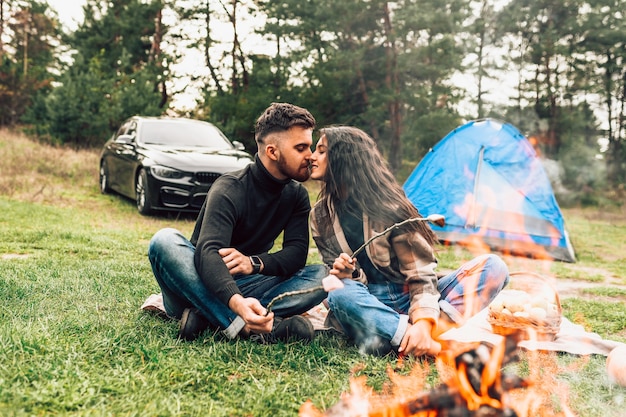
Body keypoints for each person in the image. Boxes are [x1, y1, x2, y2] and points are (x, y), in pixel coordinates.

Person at [308, 126, 509, 356]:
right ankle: (427, 346)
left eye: (321, 151)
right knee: (339, 293)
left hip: (409, 297)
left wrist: (423, 321)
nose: (312, 156)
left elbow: (421, 273)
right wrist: (346, 274)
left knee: (494, 267)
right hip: (367, 302)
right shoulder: (320, 217)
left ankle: (407, 336)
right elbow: (338, 281)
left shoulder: (391, 206)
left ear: (343, 158)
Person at [148, 103, 328, 343]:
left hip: (250, 285)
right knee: (165, 240)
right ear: (273, 152)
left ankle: (207, 318)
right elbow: (208, 253)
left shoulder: (296, 195)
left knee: (322, 276)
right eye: (301, 147)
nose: (310, 156)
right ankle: (247, 326)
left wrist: (254, 263)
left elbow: (296, 254)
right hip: (196, 284)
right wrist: (237, 303)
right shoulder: (229, 188)